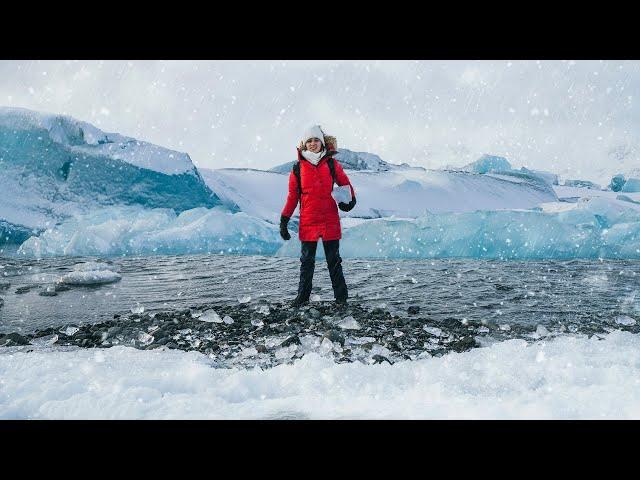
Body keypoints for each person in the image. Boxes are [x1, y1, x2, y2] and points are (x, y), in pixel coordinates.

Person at [280, 125, 357, 307]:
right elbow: (292, 197)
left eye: (316, 140)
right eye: (309, 141)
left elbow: (345, 184)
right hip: (308, 220)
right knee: (306, 262)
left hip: (330, 218)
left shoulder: (331, 163)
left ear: (322, 143)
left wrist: (350, 201)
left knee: (334, 261)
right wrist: (284, 221)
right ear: (304, 145)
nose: (313, 144)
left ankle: (341, 299)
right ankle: (302, 297)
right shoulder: (297, 168)